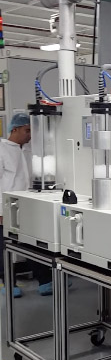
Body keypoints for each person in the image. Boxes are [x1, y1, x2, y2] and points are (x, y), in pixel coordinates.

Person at [0, 113, 53, 297]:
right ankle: (8, 283)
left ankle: (45, 281)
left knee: (31, 244)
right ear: (14, 129)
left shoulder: (29, 150)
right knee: (4, 247)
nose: (30, 134)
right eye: (27, 130)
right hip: (6, 207)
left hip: (26, 205)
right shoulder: (2, 149)